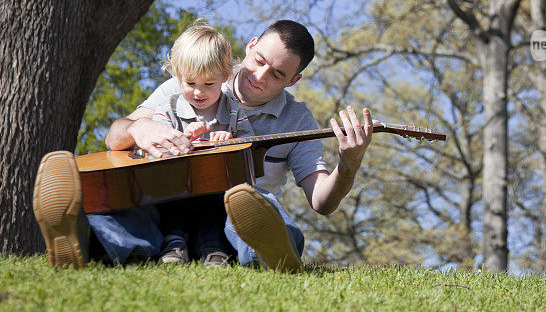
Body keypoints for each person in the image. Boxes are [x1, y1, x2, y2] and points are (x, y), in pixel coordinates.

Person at [32, 20, 373, 271]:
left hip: (230, 218)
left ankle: (274, 253)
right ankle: (84, 238)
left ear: (294, 80)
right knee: (133, 208)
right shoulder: (195, 76)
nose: (260, 75)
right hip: (168, 204)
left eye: (277, 75)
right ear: (251, 45)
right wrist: (141, 128)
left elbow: (322, 201)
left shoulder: (298, 120)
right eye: (259, 61)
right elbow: (115, 134)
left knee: (255, 206)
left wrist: (349, 163)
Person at [152, 21, 236, 265]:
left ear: (225, 77)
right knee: (174, 208)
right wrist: (181, 137)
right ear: (178, 76)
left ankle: (214, 250)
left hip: (214, 187)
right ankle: (174, 247)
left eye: (208, 84)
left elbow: (248, 143)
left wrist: (230, 140)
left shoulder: (232, 110)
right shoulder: (168, 106)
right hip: (176, 186)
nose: (199, 92)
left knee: (214, 210)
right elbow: (156, 143)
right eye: (190, 83)